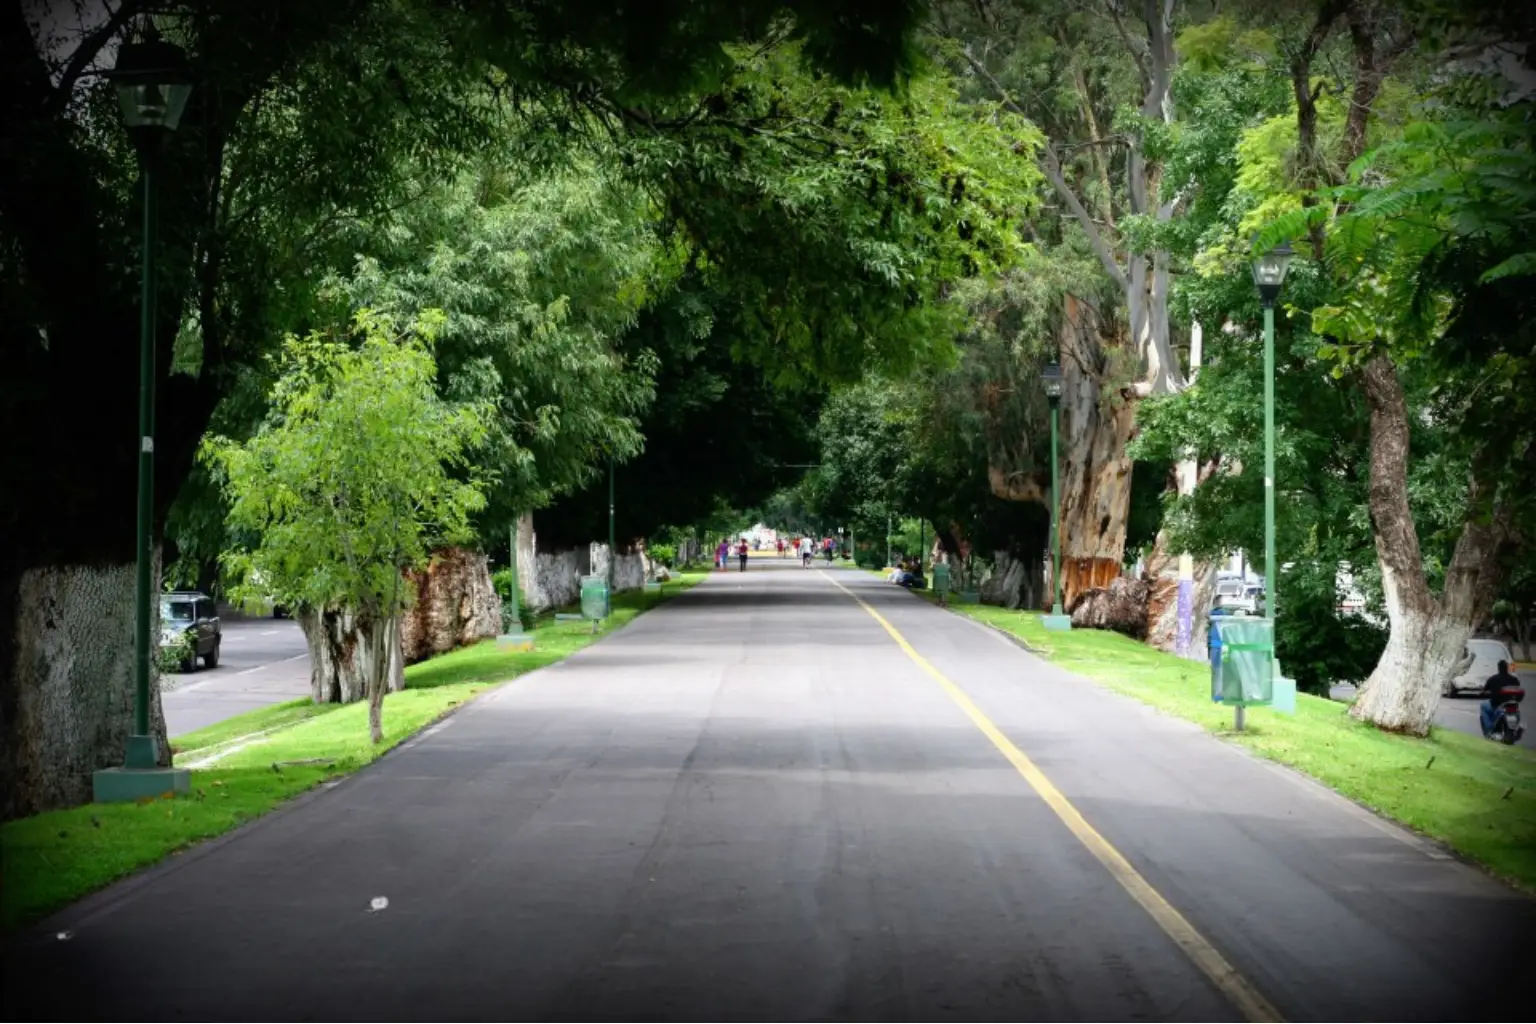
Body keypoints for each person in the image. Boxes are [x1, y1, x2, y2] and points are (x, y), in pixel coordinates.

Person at [1480, 660, 1524, 736]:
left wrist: (1482, 693)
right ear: (1507, 668)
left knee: (1483, 706)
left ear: (1498, 668)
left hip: (1497, 705)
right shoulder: (1514, 679)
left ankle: (1488, 728)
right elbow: (1518, 688)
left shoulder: (1493, 679)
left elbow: (1484, 690)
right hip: (1513, 705)